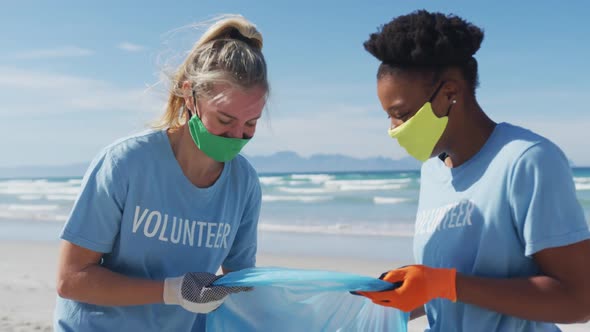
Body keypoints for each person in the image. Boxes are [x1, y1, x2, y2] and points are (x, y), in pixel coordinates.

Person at [356, 9, 590, 331]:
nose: (393, 129)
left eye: (402, 114)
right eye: (389, 116)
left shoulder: (527, 161)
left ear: (450, 93)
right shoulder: (432, 172)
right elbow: (450, 293)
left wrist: (443, 284)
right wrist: (401, 295)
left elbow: (579, 301)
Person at [54, 15, 267, 331]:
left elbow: (240, 284)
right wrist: (173, 291)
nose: (237, 136)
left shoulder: (244, 183)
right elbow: (71, 280)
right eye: (224, 121)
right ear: (190, 96)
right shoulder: (127, 163)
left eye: (251, 124)